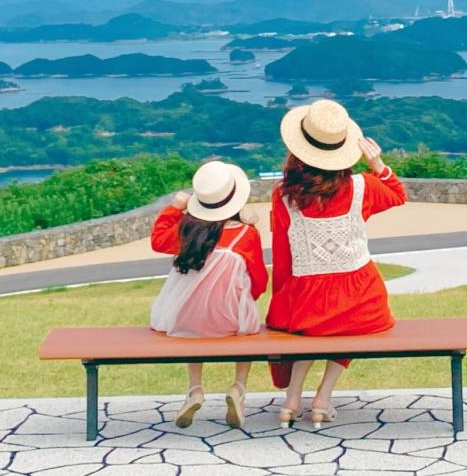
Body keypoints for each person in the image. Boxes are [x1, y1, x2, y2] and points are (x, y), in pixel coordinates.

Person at [266, 97, 407, 428]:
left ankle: (291, 399)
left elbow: (283, 255)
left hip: (306, 295)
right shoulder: (364, 187)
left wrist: (284, 299)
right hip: (363, 300)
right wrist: (378, 164)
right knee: (346, 323)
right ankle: (323, 396)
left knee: (313, 328)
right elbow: (397, 194)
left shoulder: (283, 196)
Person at [148, 160, 267, 429]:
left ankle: (195, 389)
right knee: (246, 328)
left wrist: (175, 207)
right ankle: (238, 388)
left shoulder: (188, 232)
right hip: (230, 321)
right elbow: (259, 280)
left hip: (183, 321)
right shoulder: (247, 234)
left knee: (194, 316)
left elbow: (157, 240)